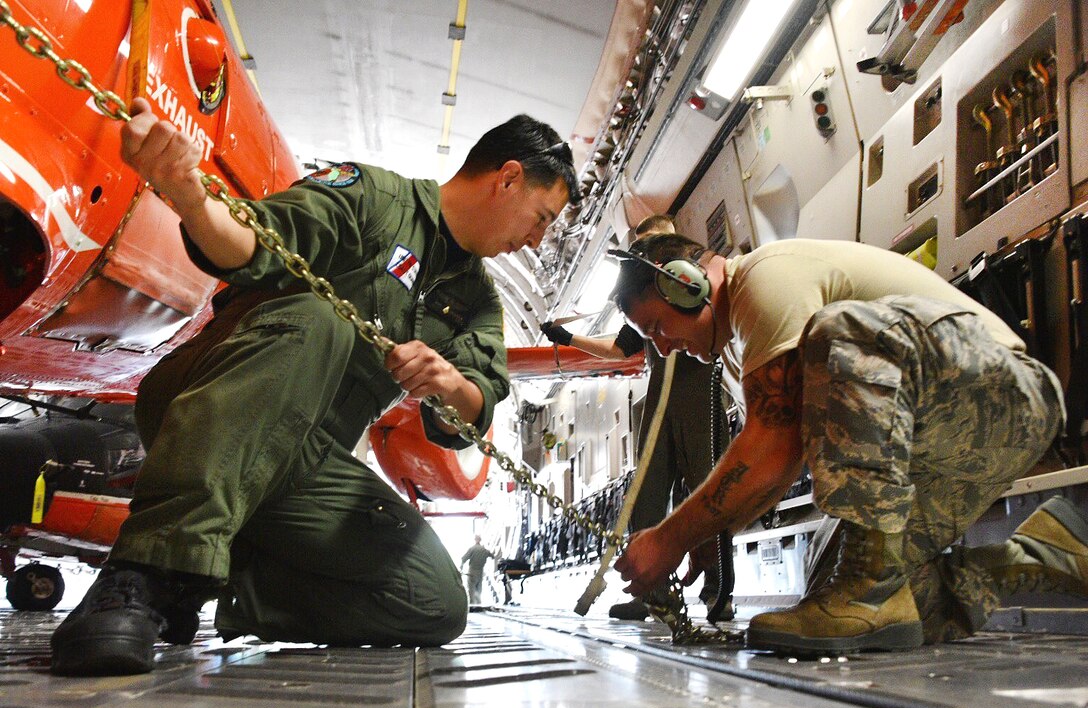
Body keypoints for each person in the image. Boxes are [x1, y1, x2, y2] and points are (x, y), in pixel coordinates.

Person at [50, 97, 577, 676]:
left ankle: (210, 582)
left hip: (307, 465)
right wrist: (188, 193)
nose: (535, 240)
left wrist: (449, 383)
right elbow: (252, 244)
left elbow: (476, 404)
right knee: (320, 320)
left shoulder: (478, 299)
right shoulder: (373, 198)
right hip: (210, 404)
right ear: (509, 178)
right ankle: (139, 576)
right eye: (543, 217)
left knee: (434, 604)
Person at [612, 233, 1087, 655]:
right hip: (943, 436)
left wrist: (672, 537)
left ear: (685, 285)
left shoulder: (764, 278)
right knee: (837, 600)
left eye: (656, 328)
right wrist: (706, 534)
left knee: (836, 333)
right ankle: (1037, 556)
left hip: (1005, 395)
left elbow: (772, 452)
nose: (663, 348)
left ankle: (867, 587)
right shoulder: (738, 351)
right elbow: (772, 463)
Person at [541, 215, 734, 623]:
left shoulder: (691, 289)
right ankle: (650, 591)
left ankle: (720, 588)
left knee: (708, 481)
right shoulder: (646, 310)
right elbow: (619, 348)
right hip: (659, 404)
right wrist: (568, 338)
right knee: (645, 491)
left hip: (698, 392)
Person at [461, 535, 495, 605]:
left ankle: (472, 603)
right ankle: (478, 603)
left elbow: (464, 558)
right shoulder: (484, 550)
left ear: (475, 540)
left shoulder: (472, 549)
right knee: (478, 588)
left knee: (471, 588)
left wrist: (461, 567)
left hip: (472, 571)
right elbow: (492, 556)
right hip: (480, 571)